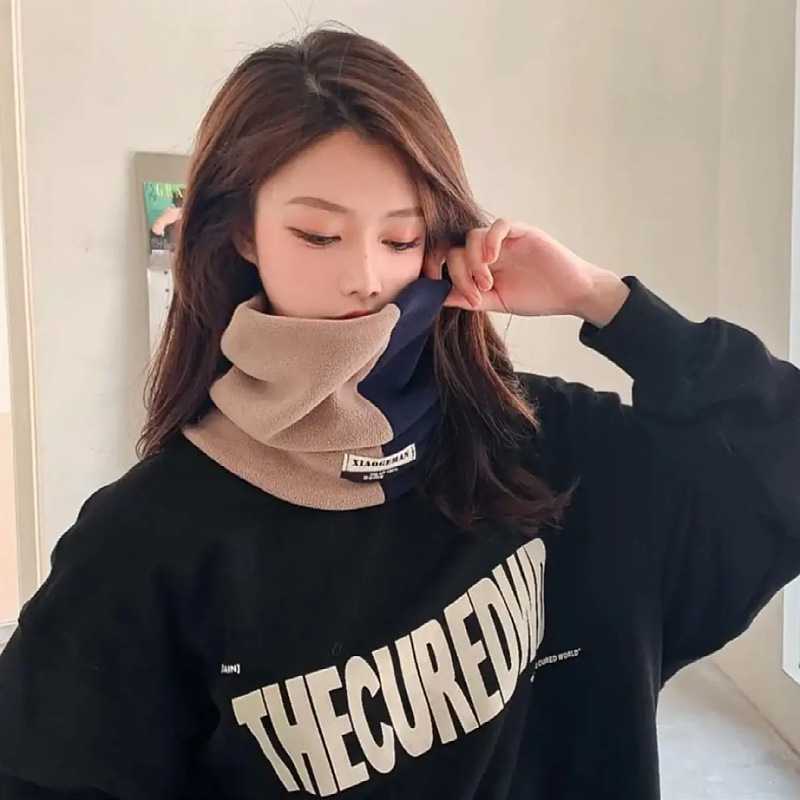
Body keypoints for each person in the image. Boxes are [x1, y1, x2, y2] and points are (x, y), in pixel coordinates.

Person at [1, 27, 799, 800]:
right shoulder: (151, 539)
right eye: (318, 235)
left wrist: (602, 300)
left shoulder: (544, 443)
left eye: (400, 239)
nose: (364, 276)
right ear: (242, 233)